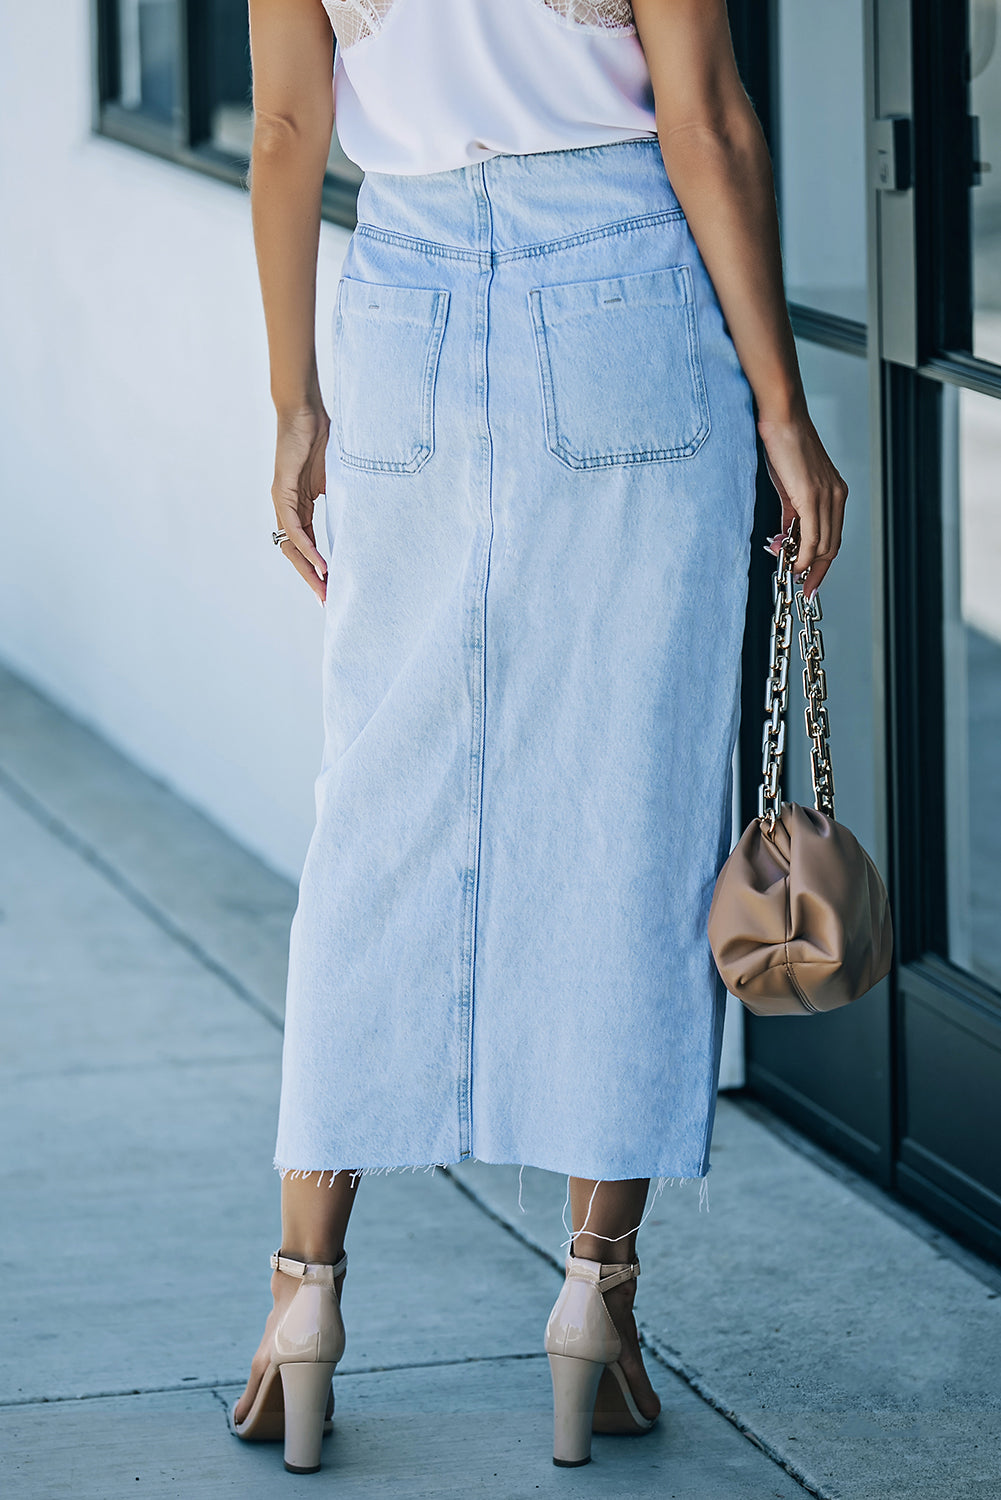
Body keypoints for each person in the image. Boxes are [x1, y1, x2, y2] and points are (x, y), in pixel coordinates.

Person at [229, 0, 847, 1476]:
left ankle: (300, 1305)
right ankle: (595, 1307)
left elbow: (285, 133)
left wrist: (291, 404)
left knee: (377, 813)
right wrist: (783, 406)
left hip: (403, 306)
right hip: (625, 289)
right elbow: (705, 128)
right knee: (625, 814)